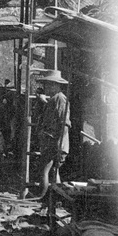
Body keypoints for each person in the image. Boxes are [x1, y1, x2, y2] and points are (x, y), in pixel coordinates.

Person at [34, 69, 71, 199]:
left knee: (44, 171)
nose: (46, 87)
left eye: (49, 85)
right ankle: (57, 199)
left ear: (56, 85)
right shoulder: (54, 99)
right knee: (54, 172)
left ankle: (42, 198)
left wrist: (58, 144)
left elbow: (64, 124)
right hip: (52, 141)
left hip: (55, 142)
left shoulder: (60, 99)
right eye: (45, 85)